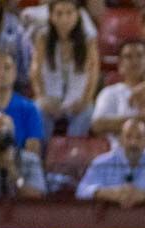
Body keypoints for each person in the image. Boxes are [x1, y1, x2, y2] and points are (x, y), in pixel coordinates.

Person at [30, 0, 99, 141]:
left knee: (88, 111)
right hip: (50, 95)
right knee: (37, 109)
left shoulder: (88, 40)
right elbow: (35, 71)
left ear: (77, 15)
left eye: (69, 13)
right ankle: (41, 155)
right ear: (51, 16)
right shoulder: (43, 37)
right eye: (59, 14)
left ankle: (71, 155)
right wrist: (41, 96)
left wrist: (85, 100)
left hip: (77, 98)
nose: (64, 19)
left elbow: (93, 73)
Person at [76, 117, 145, 205]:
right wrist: (108, 193)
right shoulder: (102, 163)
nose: (133, 143)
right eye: (128, 137)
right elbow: (82, 191)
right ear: (120, 140)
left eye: (138, 137)